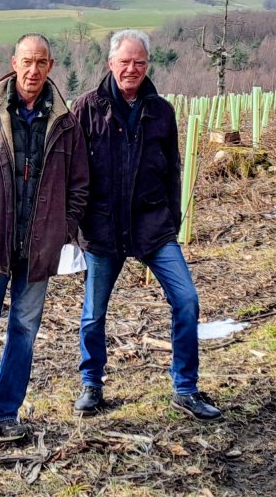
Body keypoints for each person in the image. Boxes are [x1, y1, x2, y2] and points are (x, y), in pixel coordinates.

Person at [71, 29, 222, 421]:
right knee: (93, 313)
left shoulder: (161, 111)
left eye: (139, 62)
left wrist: (172, 219)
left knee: (186, 300)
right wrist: (74, 228)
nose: (132, 69)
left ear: (148, 64)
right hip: (102, 229)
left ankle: (185, 388)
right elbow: (71, 174)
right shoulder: (87, 108)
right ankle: (92, 383)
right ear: (110, 64)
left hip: (152, 226)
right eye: (124, 62)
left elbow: (172, 169)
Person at [0, 34, 89, 449]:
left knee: (24, 332)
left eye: (41, 62)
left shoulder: (65, 122)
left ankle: (7, 411)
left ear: (51, 66)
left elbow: (80, 184)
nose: (33, 70)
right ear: (14, 62)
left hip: (39, 247)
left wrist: (63, 228)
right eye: (27, 61)